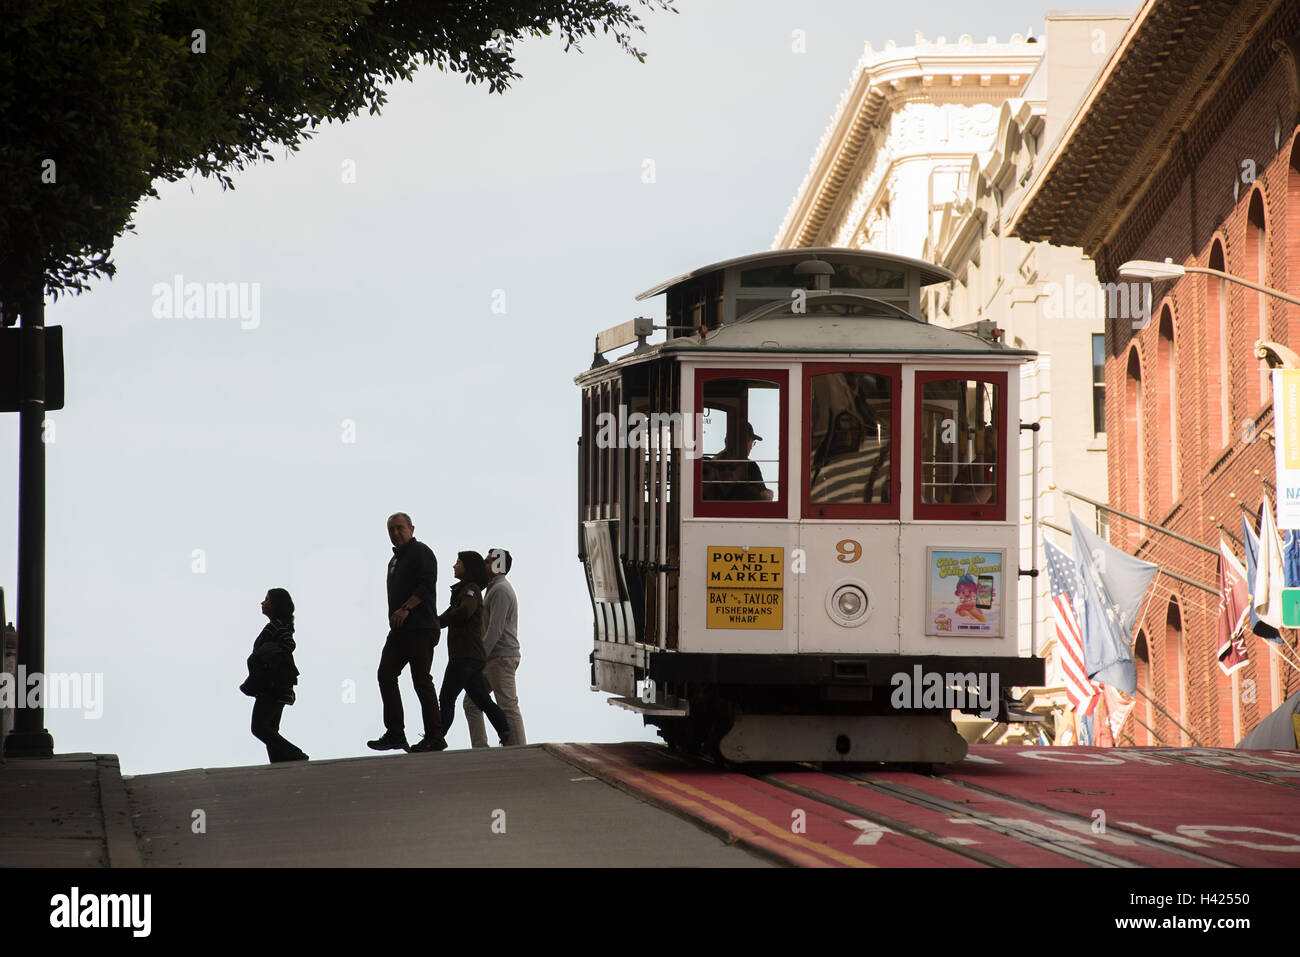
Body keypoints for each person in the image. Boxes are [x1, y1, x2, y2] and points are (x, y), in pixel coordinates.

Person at [368, 512, 447, 754]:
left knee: (421, 680)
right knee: (386, 674)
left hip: (421, 627)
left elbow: (427, 583)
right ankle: (395, 733)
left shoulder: (421, 551)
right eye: (391, 529)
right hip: (400, 630)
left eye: (400, 528)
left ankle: (435, 737)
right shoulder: (394, 560)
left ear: (412, 528)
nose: (395, 533)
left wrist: (406, 608)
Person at [438, 550, 513, 746]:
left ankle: (435, 738)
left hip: (470, 656)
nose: (454, 566)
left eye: (458, 562)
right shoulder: (484, 589)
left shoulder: (480, 590)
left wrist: (482, 656)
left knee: (447, 697)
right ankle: (502, 732)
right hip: (475, 657)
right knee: (479, 701)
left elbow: (468, 613)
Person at [464, 547, 526, 748]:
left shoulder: (500, 590)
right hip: (493, 657)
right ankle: (481, 748)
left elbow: (495, 630)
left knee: (507, 706)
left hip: (499, 658)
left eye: (489, 561)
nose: (484, 564)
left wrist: (477, 659)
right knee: (472, 703)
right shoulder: (493, 588)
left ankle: (518, 750)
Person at [240, 588, 308, 763]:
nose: (262, 603)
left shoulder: (276, 627)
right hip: (277, 686)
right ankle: (280, 763)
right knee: (270, 728)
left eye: (267, 599)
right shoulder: (278, 626)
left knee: (259, 727)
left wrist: (269, 662)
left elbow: (288, 644)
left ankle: (295, 754)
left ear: (275, 605)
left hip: (272, 687)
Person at [704, 422, 772, 501]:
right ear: (744, 443)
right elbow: (763, 497)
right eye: (751, 442)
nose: (751, 447)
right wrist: (768, 494)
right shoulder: (749, 465)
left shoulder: (712, 462)